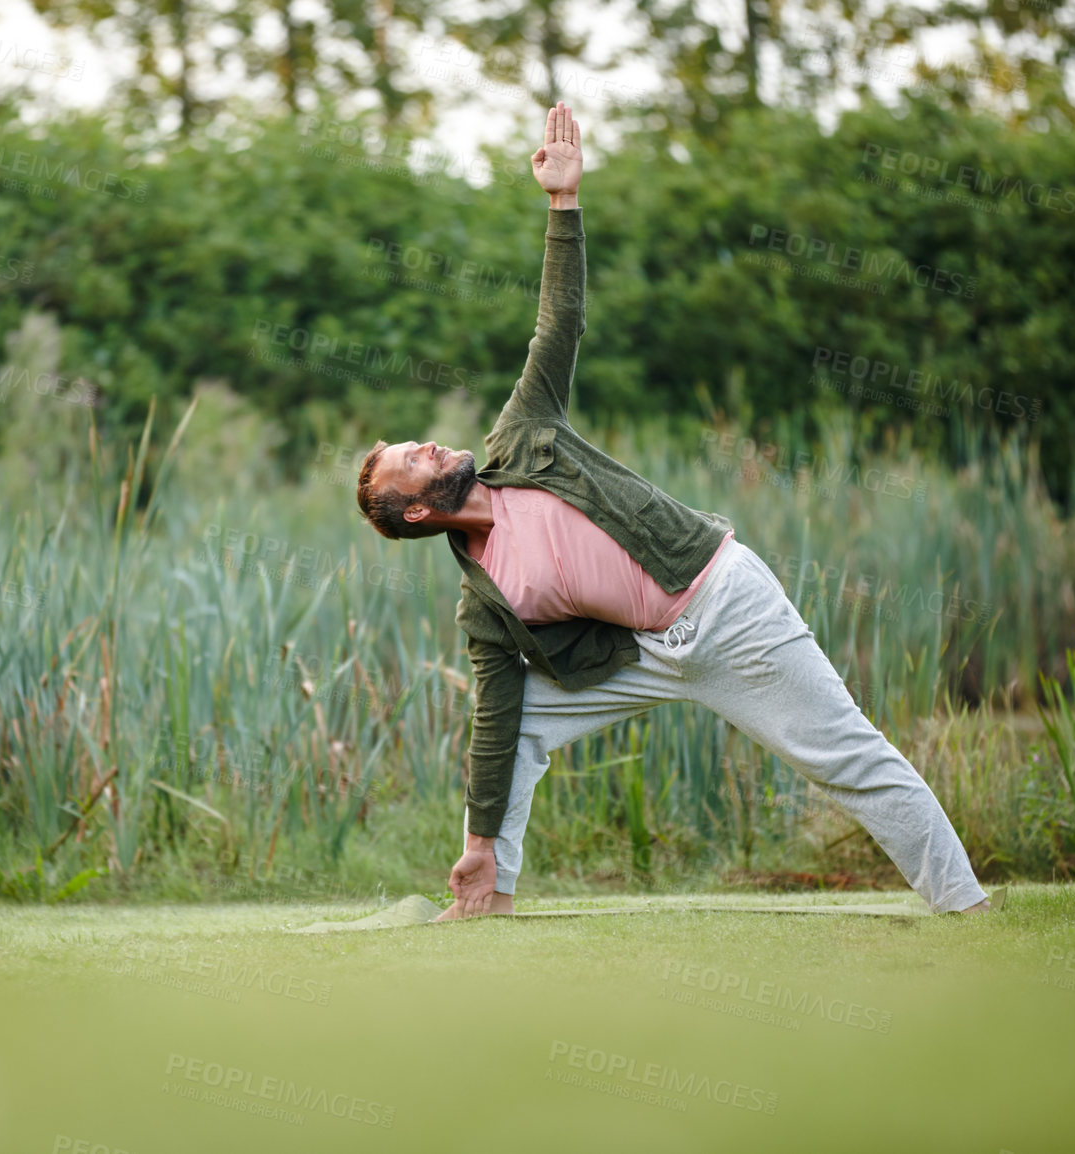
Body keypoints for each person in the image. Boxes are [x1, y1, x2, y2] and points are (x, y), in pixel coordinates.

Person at [353, 103, 991, 919]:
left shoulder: (522, 434)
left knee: (845, 755)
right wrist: (477, 845)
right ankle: (490, 897)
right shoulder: (483, 605)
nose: (434, 449)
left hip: (725, 606)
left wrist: (563, 205)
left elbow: (558, 324)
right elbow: (494, 721)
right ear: (415, 515)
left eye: (422, 443)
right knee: (518, 732)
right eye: (416, 462)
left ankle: (967, 908)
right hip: (645, 656)